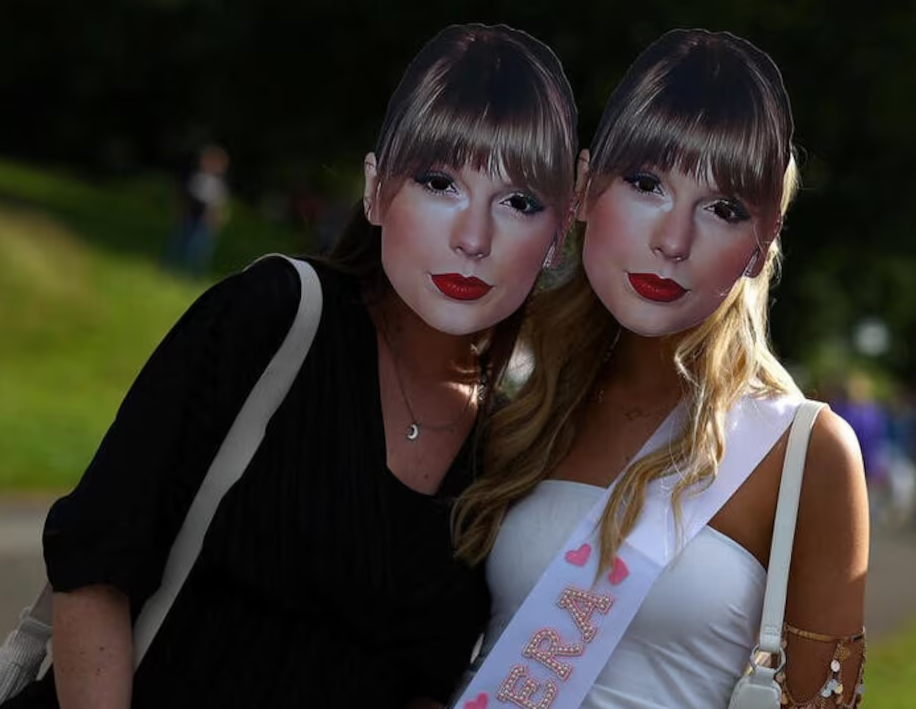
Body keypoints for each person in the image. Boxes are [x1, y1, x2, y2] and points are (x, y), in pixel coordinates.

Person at [4, 23, 577, 709]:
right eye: (439, 181)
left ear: (556, 235)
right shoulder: (274, 315)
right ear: (376, 190)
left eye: (519, 202)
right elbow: (95, 566)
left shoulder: (507, 444)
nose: (474, 237)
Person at [453, 29, 868, 709]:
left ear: (761, 249)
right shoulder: (521, 412)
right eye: (647, 183)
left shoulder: (804, 453)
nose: (673, 241)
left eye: (723, 209)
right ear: (585, 189)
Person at [165, 144, 231, 277]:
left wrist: (217, 220)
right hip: (190, 215)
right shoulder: (197, 177)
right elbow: (184, 195)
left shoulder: (218, 183)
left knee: (199, 249)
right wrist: (179, 209)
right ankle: (171, 268)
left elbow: (220, 205)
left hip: (205, 221)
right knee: (180, 242)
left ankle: (193, 273)